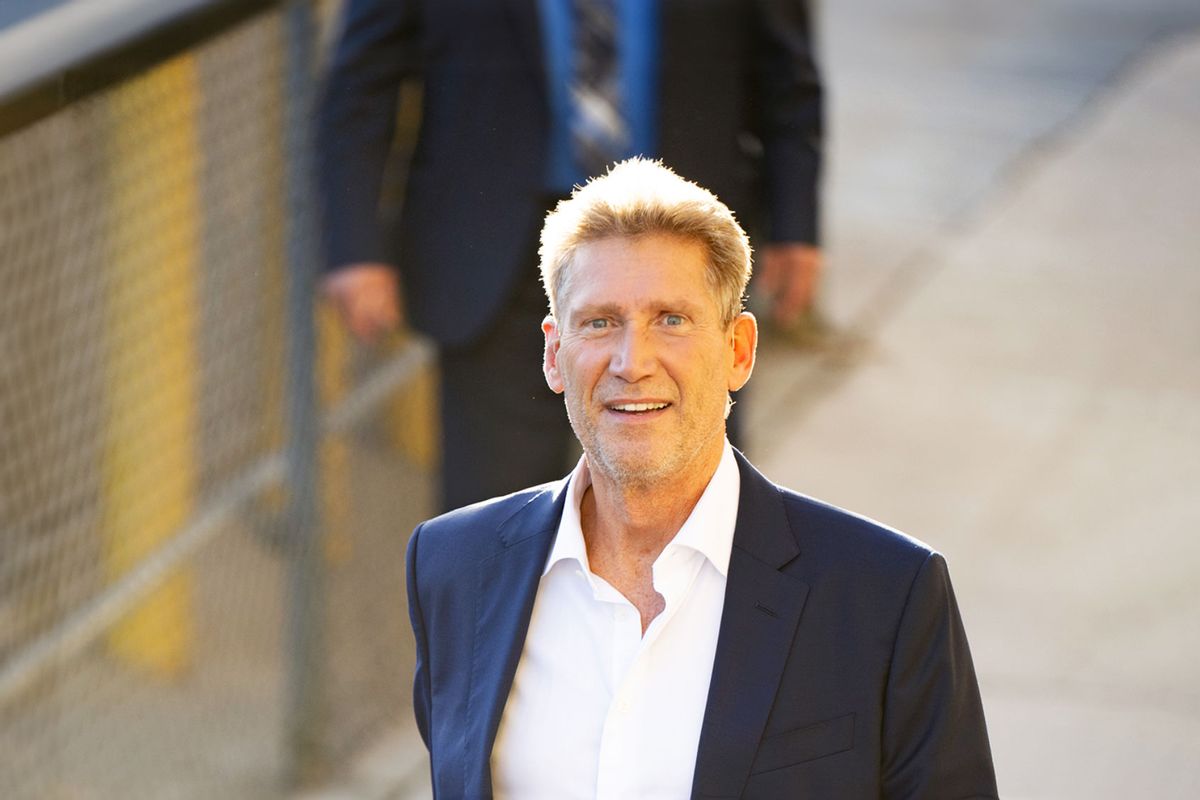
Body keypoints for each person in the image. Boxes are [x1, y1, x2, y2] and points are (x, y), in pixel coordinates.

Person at [405, 159, 997, 798]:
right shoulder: (454, 567)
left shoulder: (884, 594)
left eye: (672, 320)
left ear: (739, 350)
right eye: (600, 322)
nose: (632, 363)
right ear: (554, 353)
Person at [316, 0, 824, 511]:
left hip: (681, 244)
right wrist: (356, 246)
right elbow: (363, 79)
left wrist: (795, 223)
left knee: (682, 508)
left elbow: (786, 71)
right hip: (495, 254)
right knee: (499, 523)